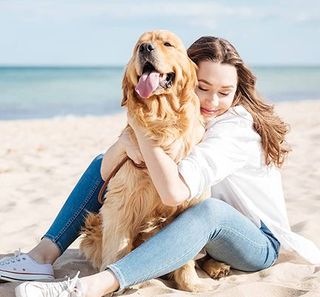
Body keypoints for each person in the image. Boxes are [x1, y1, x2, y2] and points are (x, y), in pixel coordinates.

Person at [2, 36, 320, 297]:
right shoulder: (188, 118)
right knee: (106, 160)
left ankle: (94, 286)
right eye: (203, 88)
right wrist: (125, 142)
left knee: (207, 209)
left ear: (237, 91)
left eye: (225, 93)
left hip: (256, 243)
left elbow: (173, 193)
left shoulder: (234, 128)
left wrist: (139, 131)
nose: (211, 101)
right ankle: (43, 255)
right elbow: (111, 166)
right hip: (200, 237)